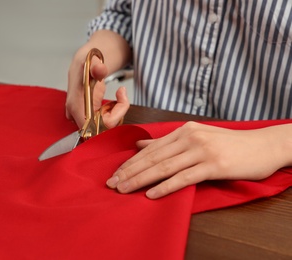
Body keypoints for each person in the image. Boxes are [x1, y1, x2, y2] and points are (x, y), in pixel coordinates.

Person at [66, 0, 292, 199]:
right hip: (145, 152)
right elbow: (124, 15)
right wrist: (93, 59)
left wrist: (272, 145)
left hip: (264, 182)